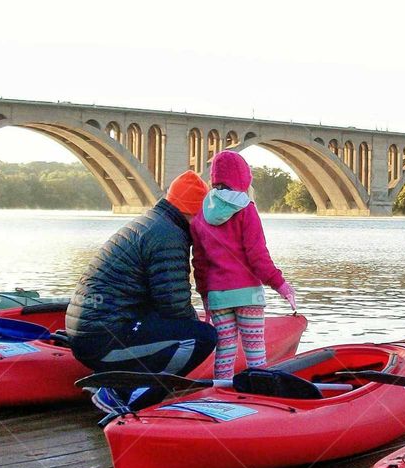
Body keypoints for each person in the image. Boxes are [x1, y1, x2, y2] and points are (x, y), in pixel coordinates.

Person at [66, 170, 217, 416]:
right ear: (192, 212)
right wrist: (196, 328)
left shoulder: (152, 222)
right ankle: (125, 396)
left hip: (90, 331)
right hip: (102, 340)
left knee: (182, 330)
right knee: (203, 338)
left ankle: (111, 380)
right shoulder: (169, 236)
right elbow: (174, 304)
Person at [190, 150, 296, 384]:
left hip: (218, 296)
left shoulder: (200, 216)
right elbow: (257, 256)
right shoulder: (247, 209)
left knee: (225, 351)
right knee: (255, 350)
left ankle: (221, 395)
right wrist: (281, 285)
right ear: (242, 177)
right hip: (248, 294)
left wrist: (205, 295)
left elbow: (199, 263)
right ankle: (259, 393)